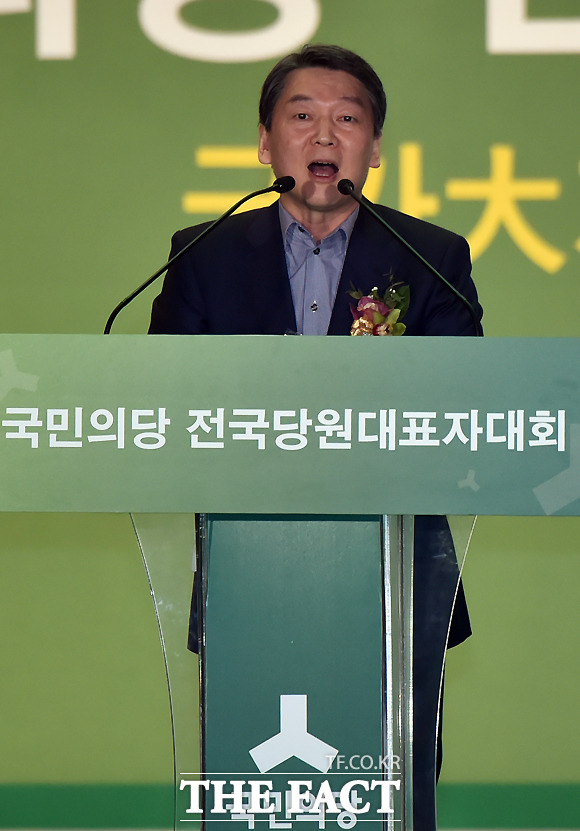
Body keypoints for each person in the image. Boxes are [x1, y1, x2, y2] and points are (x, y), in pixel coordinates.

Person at [149, 44, 483, 831]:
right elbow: (166, 396)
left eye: (347, 119)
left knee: (394, 788)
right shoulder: (204, 254)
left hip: (397, 570)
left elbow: (465, 401)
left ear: (375, 148)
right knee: (252, 786)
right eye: (301, 116)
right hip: (248, 566)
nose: (324, 135)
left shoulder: (429, 257)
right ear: (266, 143)